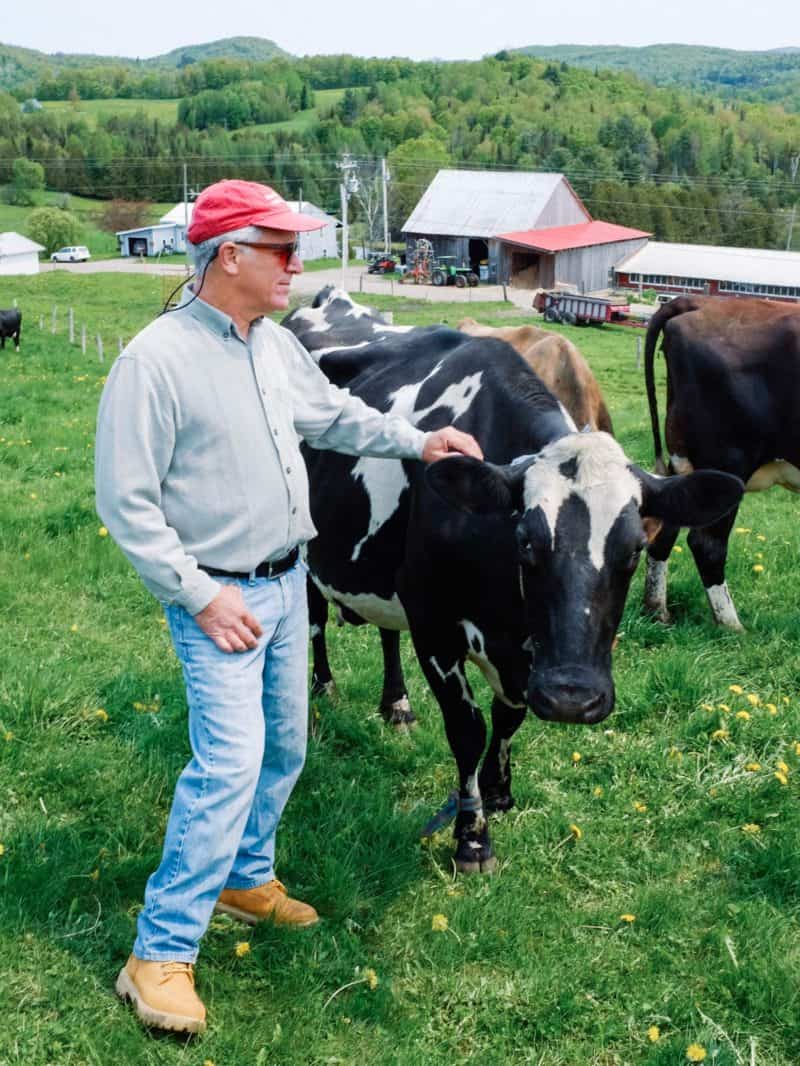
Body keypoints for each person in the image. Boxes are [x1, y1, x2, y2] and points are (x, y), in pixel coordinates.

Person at [95, 179, 483, 1035]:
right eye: (282, 248)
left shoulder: (270, 344)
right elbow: (127, 504)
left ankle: (245, 876)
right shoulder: (154, 361)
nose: (296, 264)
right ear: (229, 254)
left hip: (286, 582)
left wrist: (420, 440)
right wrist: (199, 597)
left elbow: (334, 416)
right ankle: (157, 954)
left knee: (286, 748)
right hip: (220, 596)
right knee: (228, 766)